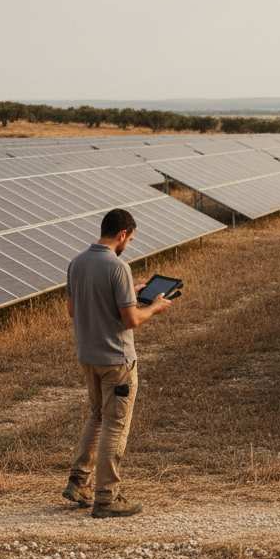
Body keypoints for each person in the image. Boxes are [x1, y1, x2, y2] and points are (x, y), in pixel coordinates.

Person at [62, 208, 172, 518]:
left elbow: (73, 309)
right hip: (117, 360)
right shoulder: (118, 267)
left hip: (88, 356)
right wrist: (156, 307)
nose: (128, 245)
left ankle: (78, 483)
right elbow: (132, 319)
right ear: (122, 234)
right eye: (130, 239)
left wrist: (128, 293)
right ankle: (106, 498)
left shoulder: (77, 262)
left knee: (97, 416)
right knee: (115, 424)